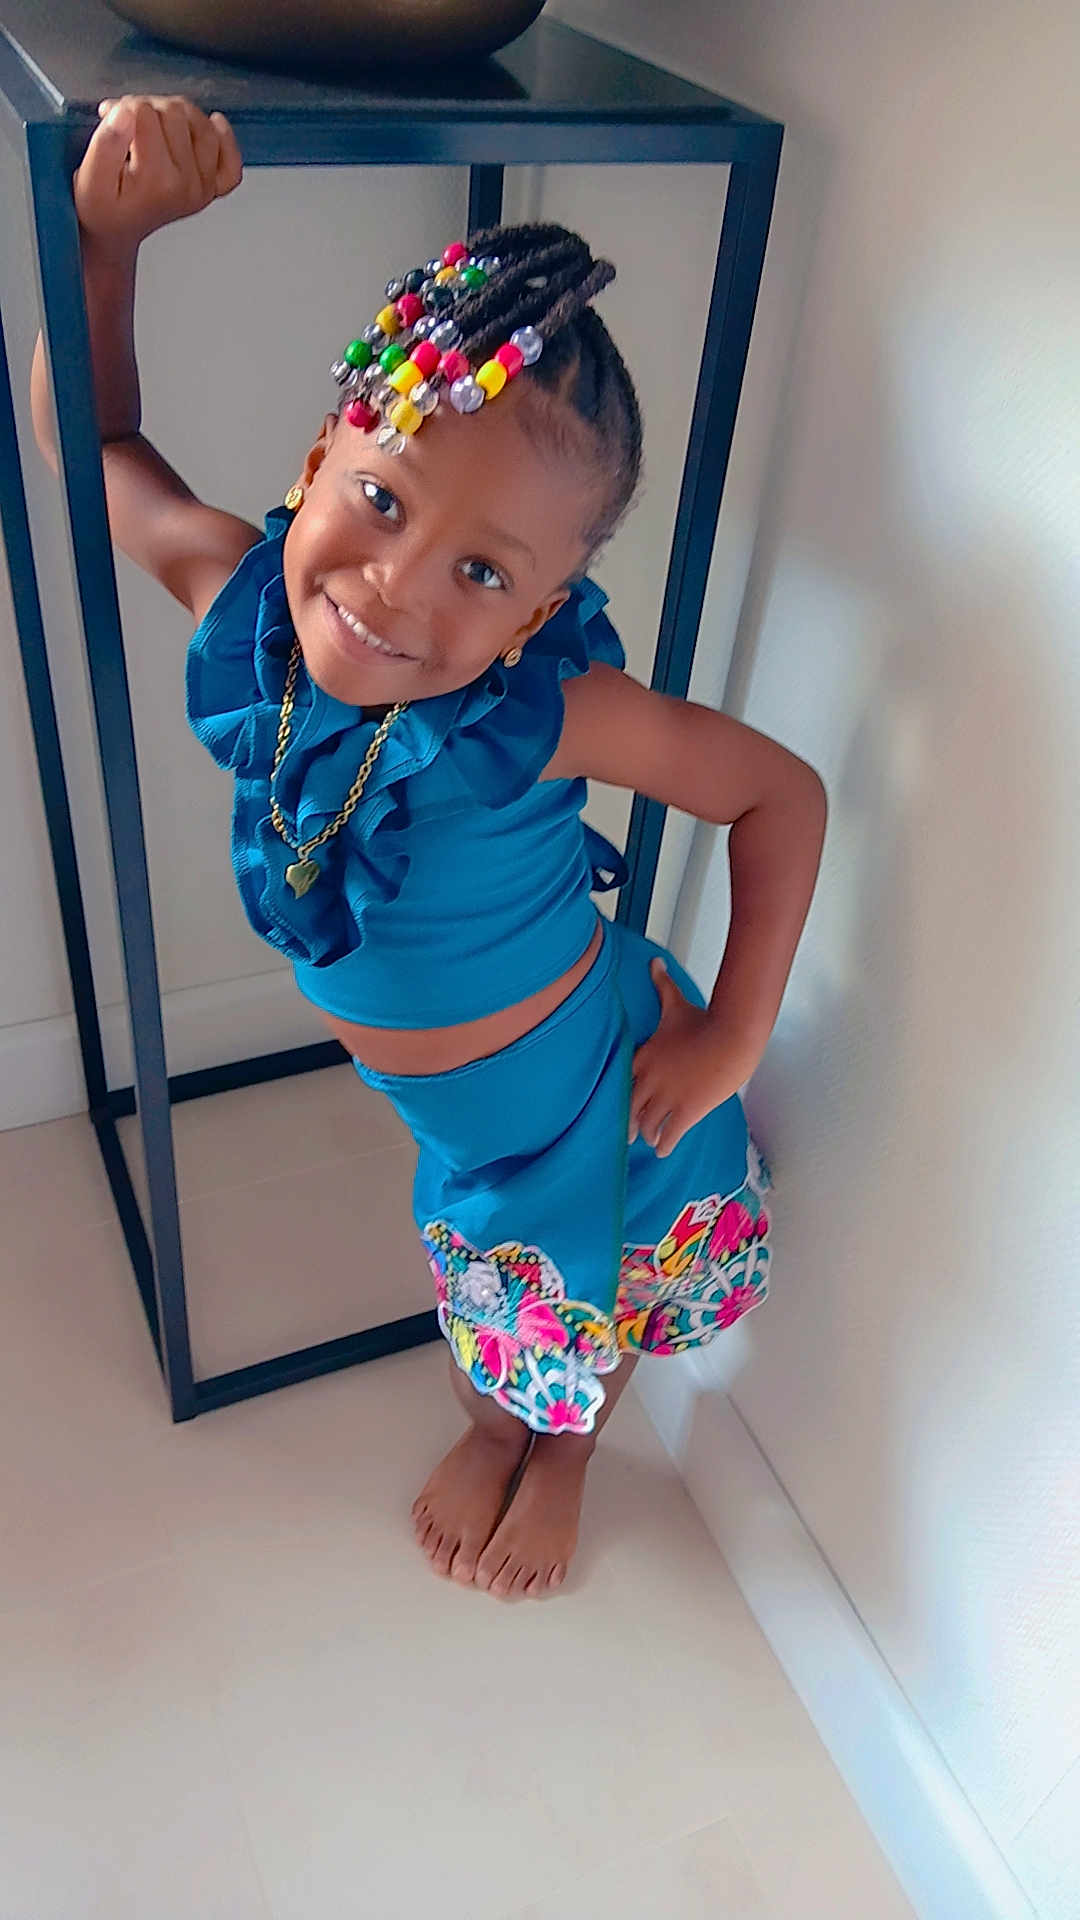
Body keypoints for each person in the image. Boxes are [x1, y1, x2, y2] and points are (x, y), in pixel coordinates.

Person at [32, 96, 826, 1601]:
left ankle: (561, 1454)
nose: (396, 589)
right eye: (381, 500)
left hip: (586, 1088)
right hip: (463, 1112)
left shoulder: (552, 711)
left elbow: (781, 792)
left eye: (480, 570)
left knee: (548, 1311)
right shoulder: (244, 608)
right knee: (517, 1299)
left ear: (535, 615)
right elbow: (97, 446)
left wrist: (732, 1032)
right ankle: (521, 1417)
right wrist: (105, 246)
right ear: (323, 452)